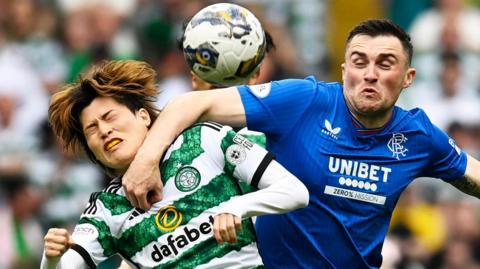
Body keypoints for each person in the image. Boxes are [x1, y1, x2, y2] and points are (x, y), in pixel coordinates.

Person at [122, 19, 480, 268]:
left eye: (385, 63)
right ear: (344, 72)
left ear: (407, 78)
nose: (370, 73)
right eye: (360, 62)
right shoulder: (304, 100)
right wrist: (145, 161)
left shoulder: (419, 136)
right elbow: (190, 103)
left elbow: (472, 174)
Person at [41, 60, 308, 268]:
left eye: (109, 117)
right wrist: (51, 259)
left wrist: (238, 207)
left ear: (143, 116)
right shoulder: (106, 211)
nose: (104, 131)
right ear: (93, 153)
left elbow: (295, 192)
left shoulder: (204, 140)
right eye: (91, 130)